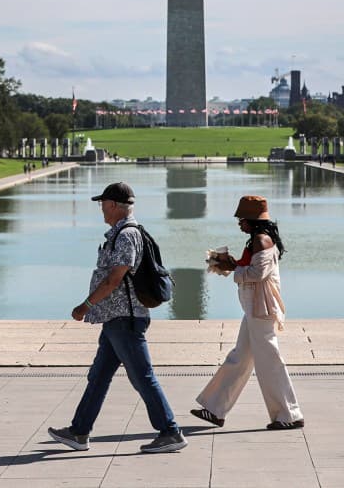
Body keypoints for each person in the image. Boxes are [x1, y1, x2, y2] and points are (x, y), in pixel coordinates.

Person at [47, 181, 187, 454]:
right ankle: (79, 432)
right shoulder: (122, 233)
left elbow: (114, 278)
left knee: (143, 377)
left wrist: (85, 305)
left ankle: (170, 431)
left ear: (113, 205)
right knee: (98, 376)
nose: (101, 209)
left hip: (126, 319)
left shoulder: (126, 235)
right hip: (115, 319)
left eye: (103, 204)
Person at [192, 196, 304, 430]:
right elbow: (252, 270)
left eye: (242, 219)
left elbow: (256, 274)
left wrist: (231, 268)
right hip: (255, 308)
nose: (239, 223)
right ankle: (215, 409)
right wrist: (231, 264)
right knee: (240, 358)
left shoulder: (262, 240)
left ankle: (289, 414)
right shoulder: (258, 239)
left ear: (253, 220)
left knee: (269, 361)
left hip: (261, 309)